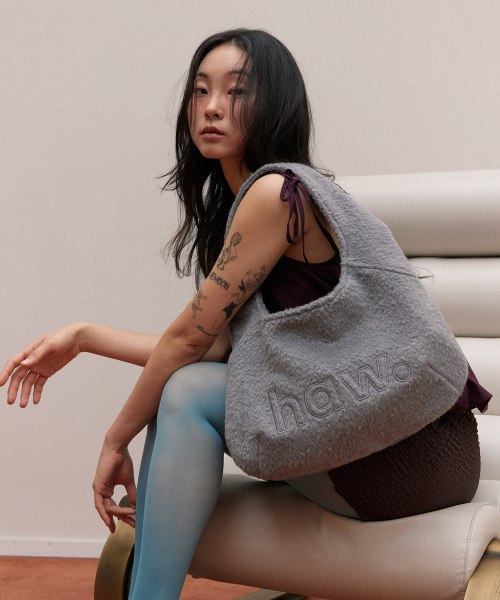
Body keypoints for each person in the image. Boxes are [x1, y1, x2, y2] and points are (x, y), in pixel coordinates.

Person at [0, 28, 491, 600]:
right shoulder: (257, 202)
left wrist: (114, 440)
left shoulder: (275, 193)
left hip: (410, 457)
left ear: (275, 103)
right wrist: (83, 337)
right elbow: (210, 346)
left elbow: (189, 345)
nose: (212, 106)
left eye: (236, 91)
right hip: (389, 442)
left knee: (186, 391)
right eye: (200, 90)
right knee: (187, 383)